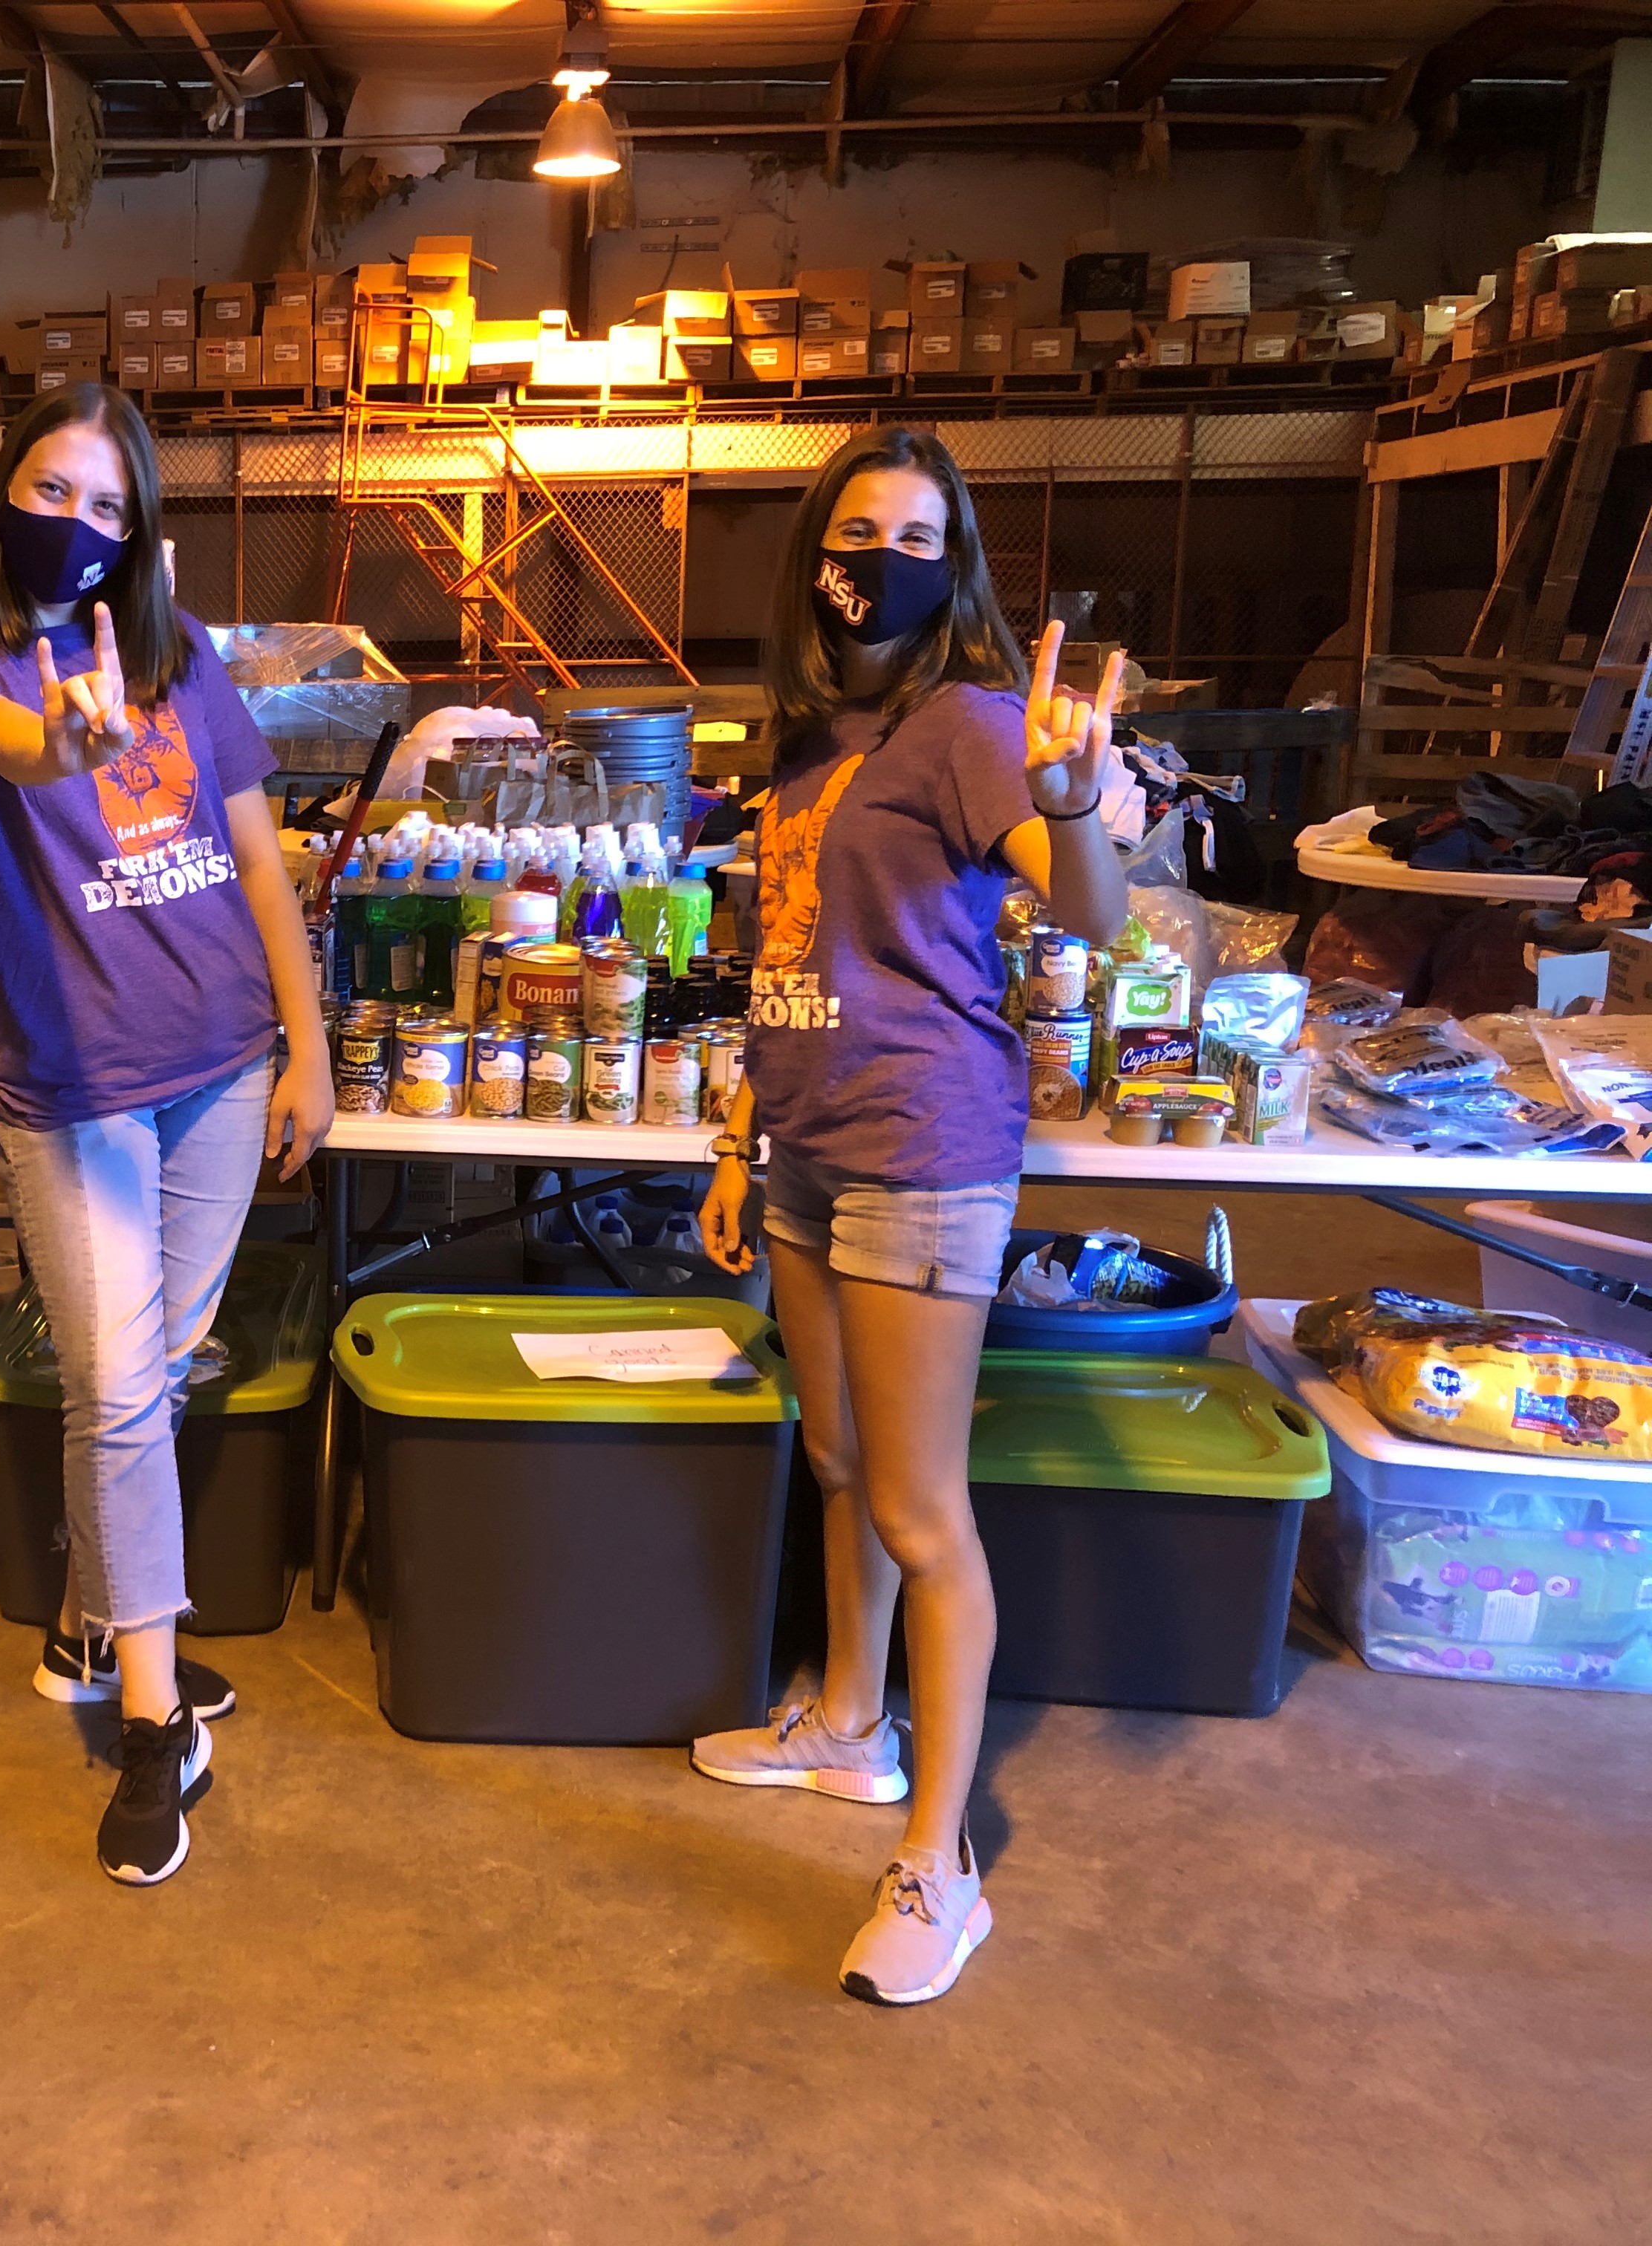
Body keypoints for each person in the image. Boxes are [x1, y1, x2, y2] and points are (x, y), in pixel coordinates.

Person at [692, 425, 1128, 2005]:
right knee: (836, 1458)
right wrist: (744, 1136)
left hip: (921, 1147)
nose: (880, 557)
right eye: (857, 528)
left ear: (955, 569)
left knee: (916, 1511)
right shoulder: (812, 740)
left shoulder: (970, 728)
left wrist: (1074, 809)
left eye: (917, 535)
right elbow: (788, 955)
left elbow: (1088, 912)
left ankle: (940, 1869)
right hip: (805, 1142)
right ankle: (845, 1728)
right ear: (817, 554)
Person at [0, 384, 333, 1887]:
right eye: (47, 488)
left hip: (218, 1060)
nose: (71, 521)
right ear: (2, 489)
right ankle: (157, 1732)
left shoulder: (184, 656)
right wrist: (57, 745)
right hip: (74, 1085)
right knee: (122, 1387)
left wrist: (308, 1049)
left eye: (103, 503)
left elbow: (264, 869)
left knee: (150, 1362)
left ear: (137, 529)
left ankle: (91, 1626)